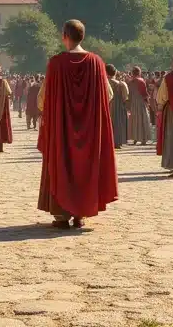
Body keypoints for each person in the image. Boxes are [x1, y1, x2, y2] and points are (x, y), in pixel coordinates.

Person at [37, 19, 118, 229]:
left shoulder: (55, 64)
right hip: (89, 129)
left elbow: (42, 98)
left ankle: (61, 215)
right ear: (83, 36)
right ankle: (80, 214)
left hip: (61, 127)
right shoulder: (97, 63)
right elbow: (108, 94)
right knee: (85, 167)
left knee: (61, 164)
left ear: (65, 36)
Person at [127, 66, 154, 145]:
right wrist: (147, 101)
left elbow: (129, 94)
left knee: (134, 120)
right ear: (139, 72)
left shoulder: (130, 82)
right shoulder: (141, 81)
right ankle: (143, 139)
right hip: (140, 102)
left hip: (133, 103)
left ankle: (135, 138)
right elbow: (144, 93)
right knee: (143, 120)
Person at [106, 65, 129, 149]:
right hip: (119, 106)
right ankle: (117, 142)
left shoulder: (103, 82)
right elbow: (125, 97)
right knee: (118, 123)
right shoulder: (121, 84)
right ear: (115, 72)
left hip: (107, 105)